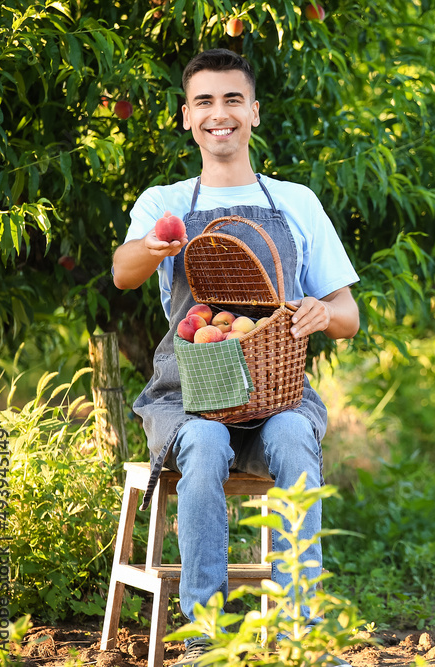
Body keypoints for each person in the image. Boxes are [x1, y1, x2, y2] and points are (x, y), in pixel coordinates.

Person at [112, 48, 359, 667]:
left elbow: (349, 316)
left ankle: (304, 625)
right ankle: (207, 632)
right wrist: (153, 245)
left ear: (254, 112)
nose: (218, 113)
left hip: (277, 389)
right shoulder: (163, 200)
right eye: (204, 101)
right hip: (190, 392)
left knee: (295, 438)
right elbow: (122, 273)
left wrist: (321, 314)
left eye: (231, 100)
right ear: (186, 118)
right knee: (203, 446)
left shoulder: (296, 202)